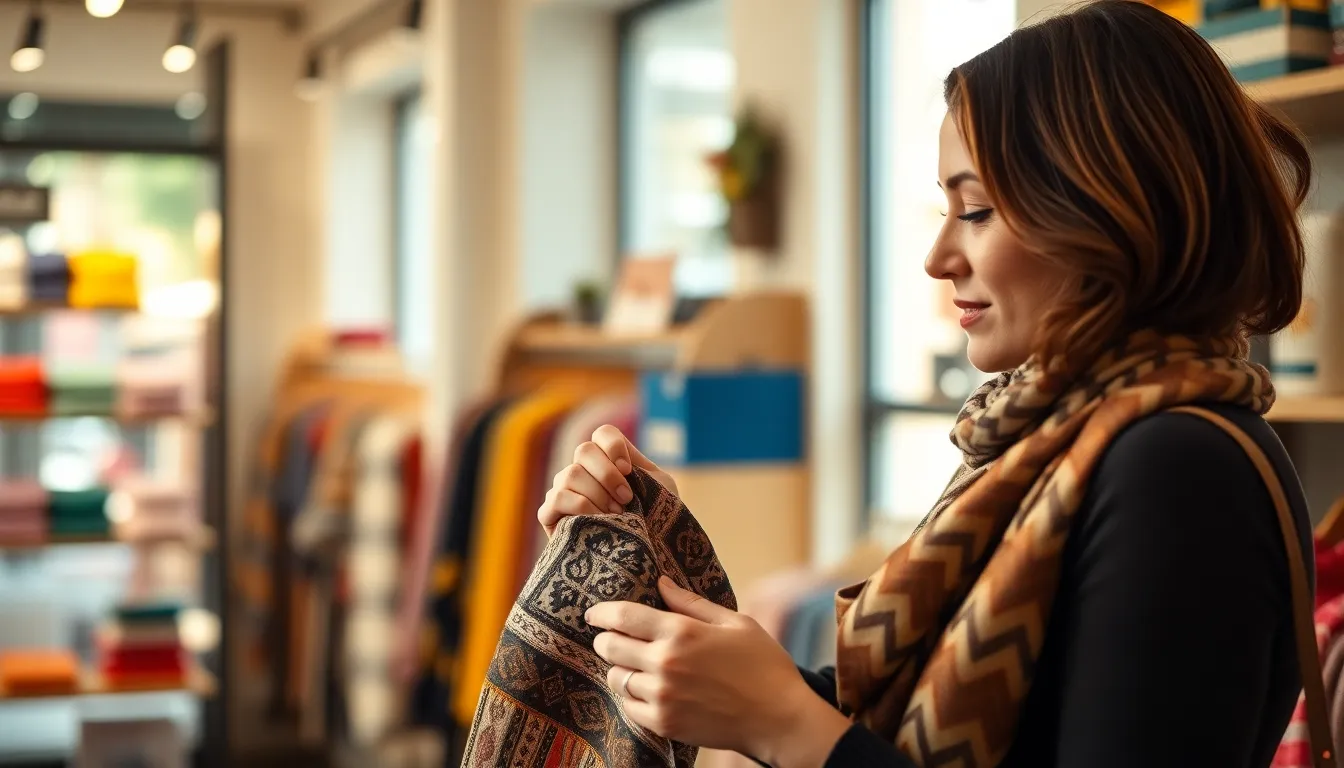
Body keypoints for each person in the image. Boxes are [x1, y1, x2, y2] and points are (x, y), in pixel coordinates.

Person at [536, 1, 1315, 766]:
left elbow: (827, 733)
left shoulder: (1177, 469)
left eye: (975, 209)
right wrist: (647, 564)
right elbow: (893, 725)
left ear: (1111, 212)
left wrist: (781, 725)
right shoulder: (1052, 440)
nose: (938, 255)